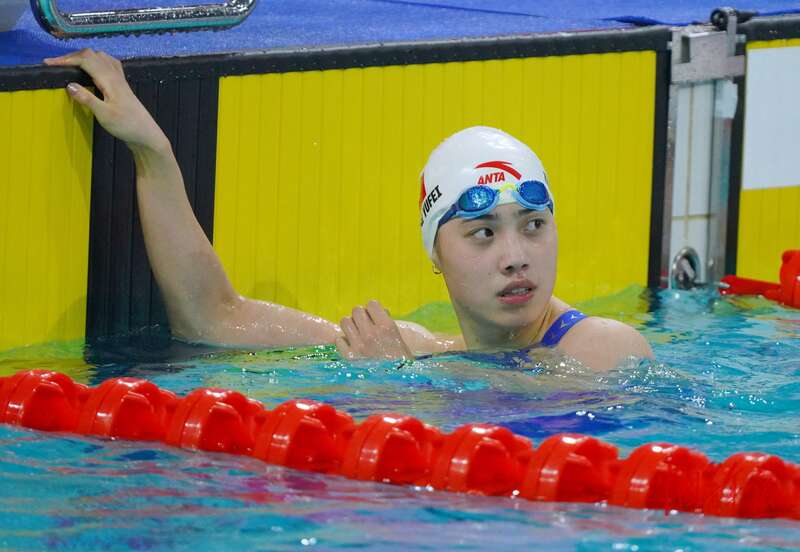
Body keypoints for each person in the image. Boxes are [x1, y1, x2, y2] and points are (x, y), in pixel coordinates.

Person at [44, 49, 653, 370]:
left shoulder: (604, 348)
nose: (516, 257)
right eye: (482, 233)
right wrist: (153, 153)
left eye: (534, 226)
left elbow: (530, 401)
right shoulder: (419, 349)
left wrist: (402, 382)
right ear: (435, 255)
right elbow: (213, 320)